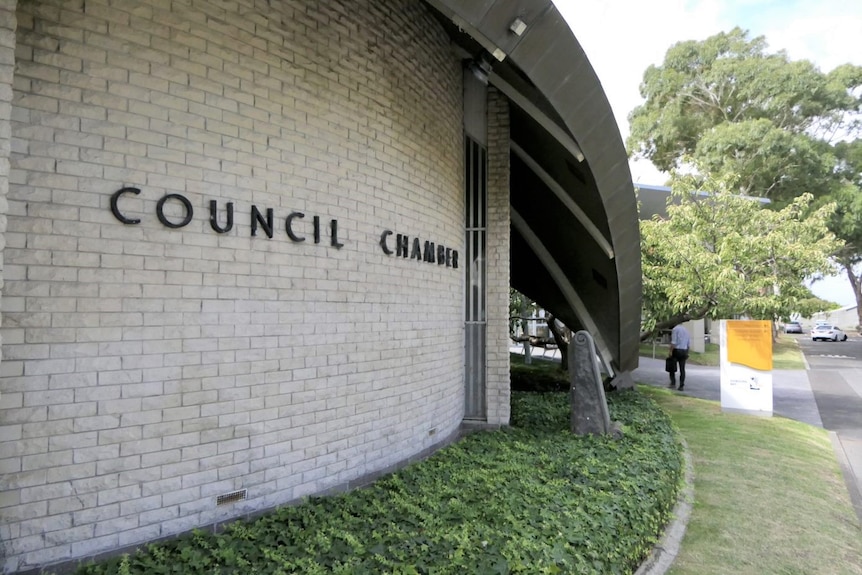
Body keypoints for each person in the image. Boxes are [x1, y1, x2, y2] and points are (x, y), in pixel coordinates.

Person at [668, 323, 690, 391]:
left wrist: (670, 351)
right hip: (684, 350)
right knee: (682, 369)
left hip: (677, 350)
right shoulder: (686, 330)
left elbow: (674, 342)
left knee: (672, 367)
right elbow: (688, 343)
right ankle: (681, 385)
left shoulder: (675, 329)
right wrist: (687, 352)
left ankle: (673, 383)